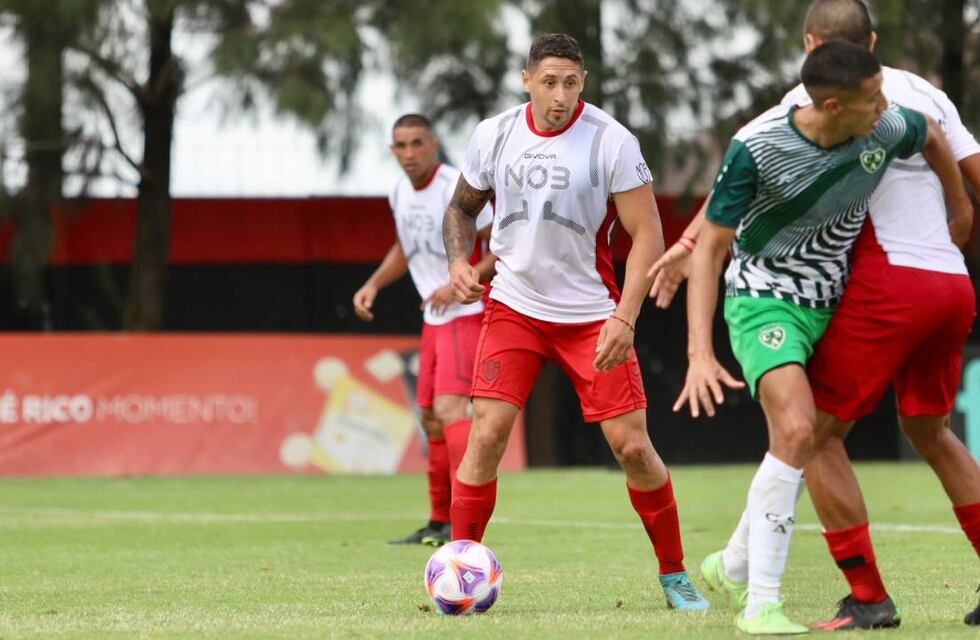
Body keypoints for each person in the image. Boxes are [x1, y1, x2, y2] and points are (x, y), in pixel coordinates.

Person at [674, 40, 970, 635]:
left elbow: (934, 135)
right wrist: (699, 352)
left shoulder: (881, 124)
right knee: (801, 430)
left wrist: (959, 209)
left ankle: (732, 564)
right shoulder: (756, 147)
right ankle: (761, 605)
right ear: (832, 106)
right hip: (765, 299)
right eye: (872, 99)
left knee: (817, 435)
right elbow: (711, 245)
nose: (886, 107)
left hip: (832, 303)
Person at [441, 32, 709, 611]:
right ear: (526, 80)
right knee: (485, 435)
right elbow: (462, 208)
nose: (559, 95)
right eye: (548, 82)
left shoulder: (611, 142)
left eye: (570, 82)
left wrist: (625, 318)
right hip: (513, 306)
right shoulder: (495, 134)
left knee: (633, 448)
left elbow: (649, 238)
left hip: (593, 315)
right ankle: (461, 571)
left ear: (583, 82)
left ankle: (674, 573)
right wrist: (458, 261)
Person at [777, 0, 980, 629]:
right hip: (951, 283)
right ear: (872, 38)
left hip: (889, 284)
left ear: (811, 42)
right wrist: (961, 213)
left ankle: (868, 598)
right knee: (930, 431)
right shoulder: (926, 90)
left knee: (811, 435)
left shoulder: (811, 97)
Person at [353, 113, 494, 547]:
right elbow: (407, 247)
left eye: (418, 143)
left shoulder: (457, 186)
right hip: (434, 320)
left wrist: (463, 279)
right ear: (392, 150)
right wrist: (374, 283)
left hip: (467, 314)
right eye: (401, 145)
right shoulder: (399, 191)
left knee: (452, 413)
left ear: (434, 144)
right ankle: (438, 522)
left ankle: (462, 523)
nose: (410, 153)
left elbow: (506, 243)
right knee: (431, 418)